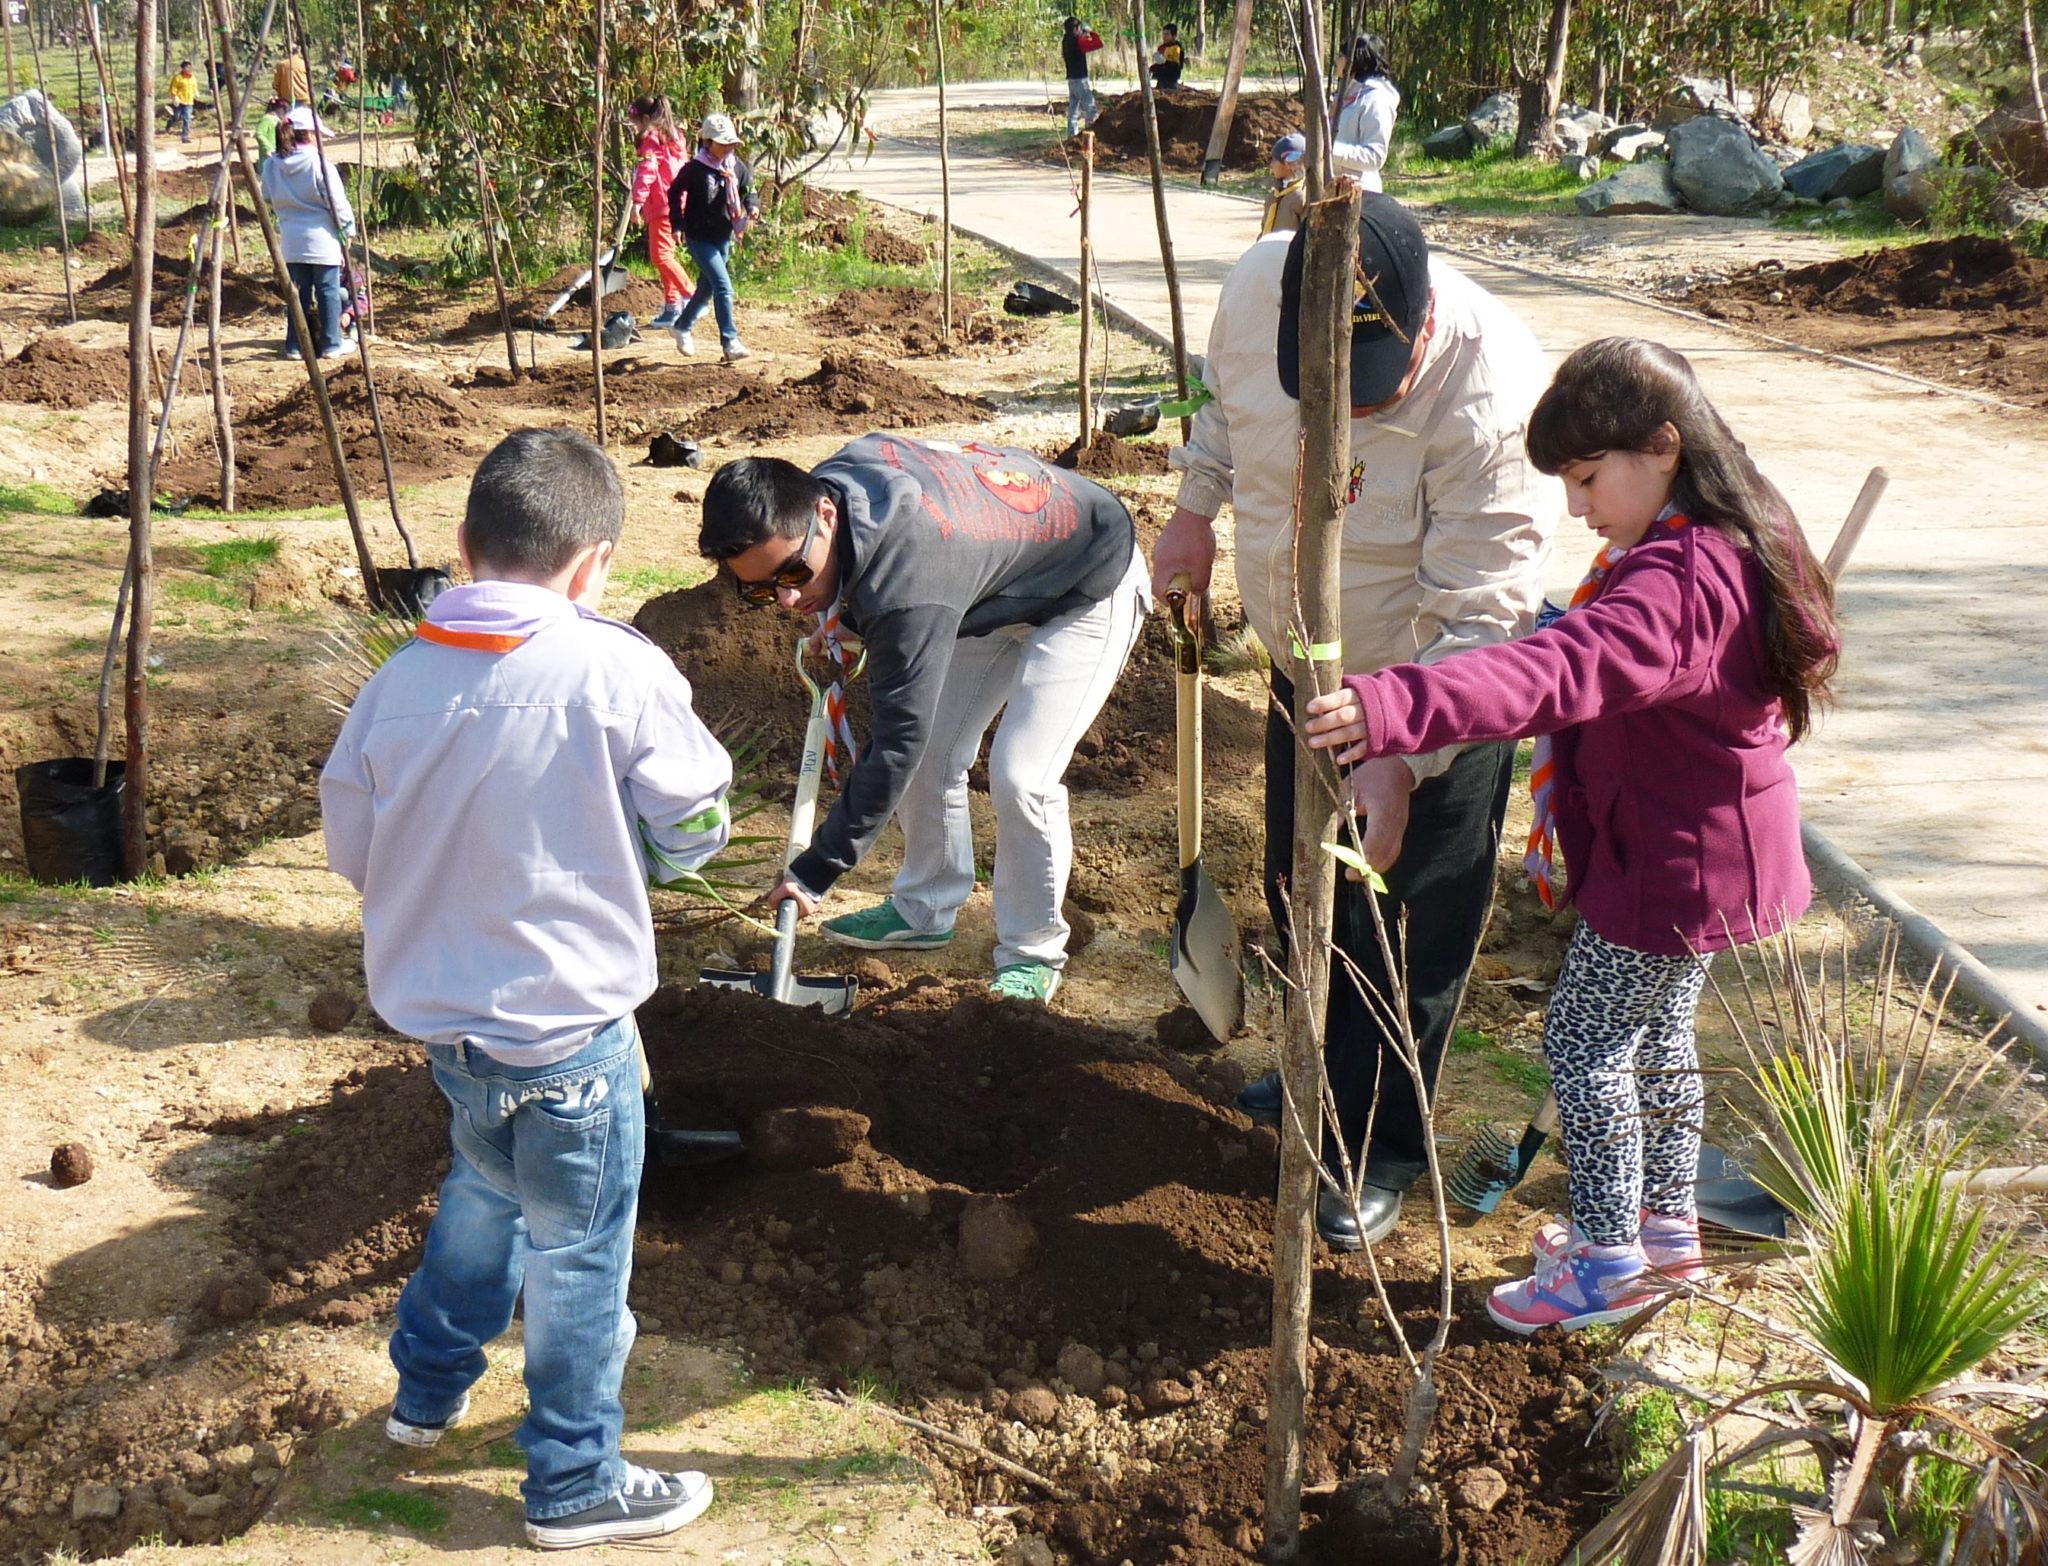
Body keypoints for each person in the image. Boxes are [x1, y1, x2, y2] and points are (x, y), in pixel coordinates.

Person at [1303, 337, 1840, 1331]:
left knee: (1583, 1043)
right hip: (1711, 854)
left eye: (1588, 478)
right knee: (1658, 1043)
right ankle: (1665, 1231)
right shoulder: (1715, 540)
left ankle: (1603, 1261)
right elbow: (1582, 653)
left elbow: (1557, 671)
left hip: (1671, 865)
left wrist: (1393, 706)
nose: (1575, 507)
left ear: (1664, 447)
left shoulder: (1674, 584)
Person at [321, 428, 733, 1549]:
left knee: (481, 1197)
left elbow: (355, 850)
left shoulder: (395, 686)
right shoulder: (615, 667)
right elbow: (695, 824)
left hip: (453, 1038)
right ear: (595, 564)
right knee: (580, 1255)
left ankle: (426, 1390)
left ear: (463, 546)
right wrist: (651, 848)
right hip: (571, 1045)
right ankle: (571, 1480)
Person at [1154, 194, 1558, 1251]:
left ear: (1421, 323)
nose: (1349, 409)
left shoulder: (1492, 391)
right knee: (1305, 887)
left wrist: (1404, 749)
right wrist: (1194, 511)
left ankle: (1377, 1145)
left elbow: (1484, 613)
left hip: (1435, 693)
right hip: (1307, 669)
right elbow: (1222, 413)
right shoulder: (1256, 288)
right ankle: (1313, 1087)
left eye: (1370, 390)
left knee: (1404, 925)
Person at [697, 437, 1150, 1002]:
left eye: (793, 575)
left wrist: (816, 869)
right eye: (762, 590)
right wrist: (841, 609)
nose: (788, 601)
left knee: (1021, 775)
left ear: (826, 515)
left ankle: (1033, 951)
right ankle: (926, 908)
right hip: (989, 581)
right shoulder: (825, 487)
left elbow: (896, 743)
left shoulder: (909, 586)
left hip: (1087, 578)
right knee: (936, 752)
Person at [259, 107, 355, 360]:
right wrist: (348, 229)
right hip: (322, 238)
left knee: (297, 292)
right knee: (328, 291)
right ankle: (332, 343)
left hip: (290, 239)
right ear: (310, 135)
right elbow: (337, 203)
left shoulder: (271, 164)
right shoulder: (320, 164)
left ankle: (294, 345)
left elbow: (267, 196)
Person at [668, 112, 759, 364]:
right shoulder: (696, 169)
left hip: (723, 236)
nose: (729, 147)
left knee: (707, 287)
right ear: (708, 142)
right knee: (723, 285)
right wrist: (677, 223)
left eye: (731, 142)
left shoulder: (736, 166)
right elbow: (674, 191)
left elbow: (748, 188)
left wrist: (751, 205)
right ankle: (730, 341)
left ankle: (682, 325)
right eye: (723, 142)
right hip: (699, 237)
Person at [626, 93, 694, 329]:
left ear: (645, 118)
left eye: (636, 123)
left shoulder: (652, 139)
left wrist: (637, 202)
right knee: (666, 255)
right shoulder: (673, 137)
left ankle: (692, 296)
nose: (635, 128)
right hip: (675, 202)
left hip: (661, 203)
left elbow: (648, 170)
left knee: (660, 256)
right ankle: (673, 306)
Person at [1331, 33, 1399, 191]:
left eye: (1341, 55)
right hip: (1335, 189)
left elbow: (1375, 156)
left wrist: (1329, 150)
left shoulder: (1376, 99)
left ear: (1355, 61)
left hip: (1360, 194)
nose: (1337, 60)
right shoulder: (1349, 94)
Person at [1061, 15, 1104, 138]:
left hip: (1071, 79)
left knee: (1073, 112)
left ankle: (1071, 137)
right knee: (1090, 109)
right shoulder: (1078, 41)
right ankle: (1089, 136)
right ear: (1075, 28)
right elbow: (1099, 44)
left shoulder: (1065, 40)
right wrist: (1090, 32)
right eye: (1079, 28)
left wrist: (1083, 35)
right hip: (1080, 79)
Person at [1261, 131, 1307, 234]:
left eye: (1274, 160)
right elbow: (1264, 228)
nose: (1271, 165)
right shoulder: (1273, 196)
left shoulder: (1301, 198)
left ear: (1288, 163)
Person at [168, 60, 199, 143]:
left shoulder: (192, 77)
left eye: (189, 67)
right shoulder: (178, 77)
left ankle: (185, 136)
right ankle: (169, 124)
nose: (188, 69)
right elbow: (173, 88)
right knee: (176, 117)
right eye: (187, 67)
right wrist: (174, 97)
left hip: (189, 101)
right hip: (179, 101)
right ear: (183, 68)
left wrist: (196, 93)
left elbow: (194, 86)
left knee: (187, 119)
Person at [1150, 23, 1185, 90]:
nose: (1164, 37)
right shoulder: (1161, 47)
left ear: (1174, 36)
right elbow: (1159, 64)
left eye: (1167, 34)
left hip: (1171, 80)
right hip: (1161, 79)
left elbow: (1177, 67)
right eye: (1163, 34)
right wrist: (1152, 68)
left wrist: (1164, 61)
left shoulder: (1177, 48)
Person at [254, 96, 288, 164]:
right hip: (269, 155)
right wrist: (268, 148)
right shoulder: (267, 119)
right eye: (284, 110)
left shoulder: (277, 120)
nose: (285, 113)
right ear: (279, 109)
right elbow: (259, 133)